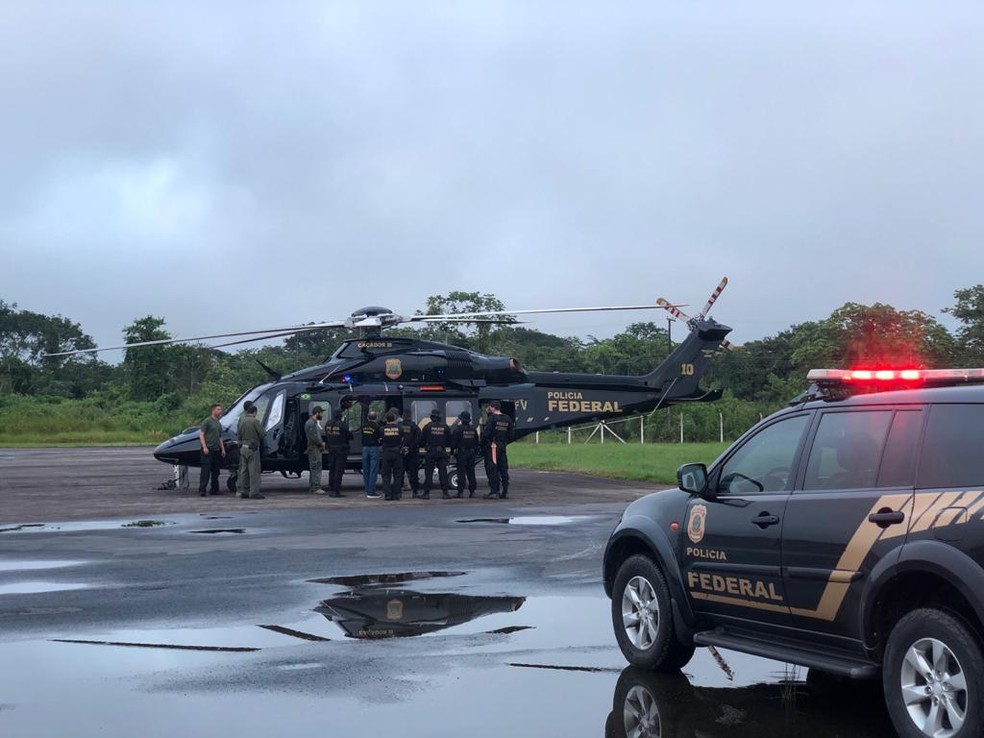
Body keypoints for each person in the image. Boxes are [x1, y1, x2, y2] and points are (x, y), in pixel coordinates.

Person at [483, 401, 514, 499]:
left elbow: (486, 434)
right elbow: (511, 434)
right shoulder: (507, 419)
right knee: (503, 468)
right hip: (502, 445)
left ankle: (494, 491)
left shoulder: (491, 419)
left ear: (493, 408)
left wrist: (484, 443)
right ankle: (505, 491)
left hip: (493, 446)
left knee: (492, 468)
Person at [420, 409, 451, 499]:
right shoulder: (445, 427)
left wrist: (426, 446)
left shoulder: (427, 427)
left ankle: (426, 493)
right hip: (442, 451)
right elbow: (449, 441)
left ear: (432, 417)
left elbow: (422, 441)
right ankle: (445, 493)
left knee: (428, 472)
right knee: (443, 472)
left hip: (431, 451)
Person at [237, 402, 265, 499]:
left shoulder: (242, 421)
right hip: (252, 448)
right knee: (254, 471)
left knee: (244, 471)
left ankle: (243, 490)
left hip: (243, 448)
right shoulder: (255, 421)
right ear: (254, 412)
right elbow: (262, 434)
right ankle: (254, 492)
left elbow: (239, 435)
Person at [198, 403, 226, 496]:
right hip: (208, 449)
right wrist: (204, 447)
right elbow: (201, 434)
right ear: (213, 410)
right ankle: (202, 489)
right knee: (205, 471)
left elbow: (220, 437)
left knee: (216, 471)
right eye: (218, 409)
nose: (220, 411)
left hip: (216, 450)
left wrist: (222, 449)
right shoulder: (207, 421)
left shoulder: (218, 423)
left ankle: (214, 489)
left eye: (220, 409)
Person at [451, 410, 479, 498]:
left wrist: (453, 453)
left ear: (462, 420)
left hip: (462, 453)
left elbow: (453, 443)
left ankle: (460, 492)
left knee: (461, 472)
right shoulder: (473, 430)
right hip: (471, 453)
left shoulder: (458, 430)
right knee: (471, 472)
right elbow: (477, 443)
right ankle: (472, 491)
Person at [378, 409, 405, 501]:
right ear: (394, 418)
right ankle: (396, 494)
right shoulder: (400, 428)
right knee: (397, 474)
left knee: (386, 474)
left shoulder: (382, 429)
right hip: (397, 453)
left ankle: (388, 494)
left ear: (386, 419)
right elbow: (403, 439)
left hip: (386, 453)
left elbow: (379, 440)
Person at [324, 409, 351, 497]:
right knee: (339, 471)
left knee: (332, 469)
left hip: (331, 449)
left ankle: (331, 489)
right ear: (340, 415)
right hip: (341, 450)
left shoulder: (328, 424)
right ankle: (336, 491)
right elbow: (349, 435)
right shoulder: (342, 425)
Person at [399, 409, 421, 497]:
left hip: (401, 452)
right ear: (410, 416)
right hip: (412, 452)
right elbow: (418, 439)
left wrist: (402, 447)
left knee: (400, 472)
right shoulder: (414, 426)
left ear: (403, 416)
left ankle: (398, 493)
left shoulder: (399, 426)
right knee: (414, 472)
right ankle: (415, 492)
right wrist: (410, 447)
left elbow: (396, 438)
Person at [305, 406, 326, 494]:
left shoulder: (312, 423)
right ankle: (315, 487)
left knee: (314, 467)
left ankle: (313, 486)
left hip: (314, 448)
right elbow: (314, 438)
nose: (322, 415)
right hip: (314, 449)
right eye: (321, 413)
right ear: (317, 413)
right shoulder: (311, 424)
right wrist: (322, 445)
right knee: (316, 467)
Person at [361, 410, 381, 499]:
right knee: (373, 470)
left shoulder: (363, 426)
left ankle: (367, 489)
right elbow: (379, 438)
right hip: (374, 448)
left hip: (364, 448)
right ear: (375, 418)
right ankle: (371, 492)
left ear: (367, 417)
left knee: (366, 470)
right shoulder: (377, 427)